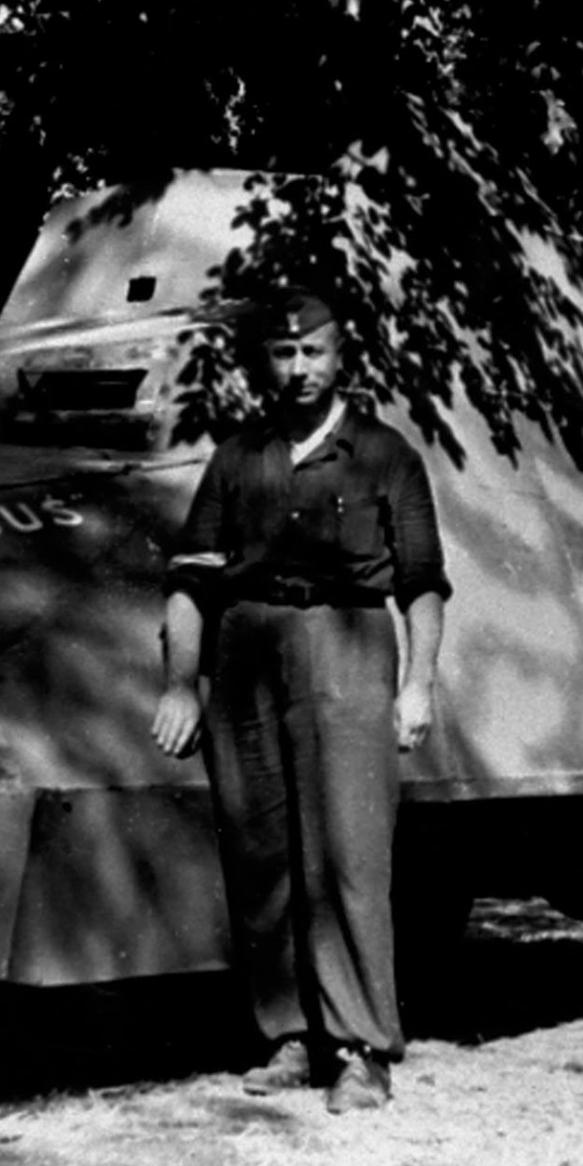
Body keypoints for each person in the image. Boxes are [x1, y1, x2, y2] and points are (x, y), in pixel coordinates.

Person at [150, 290, 451, 1114]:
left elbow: (423, 583)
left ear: (341, 354)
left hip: (348, 646)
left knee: (350, 854)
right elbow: (189, 577)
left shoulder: (384, 453)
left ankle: (361, 1049)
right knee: (260, 852)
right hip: (244, 652)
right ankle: (290, 1034)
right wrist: (181, 682)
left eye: (312, 353)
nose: (298, 369)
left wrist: (417, 684)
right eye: (283, 356)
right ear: (263, 363)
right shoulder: (239, 456)